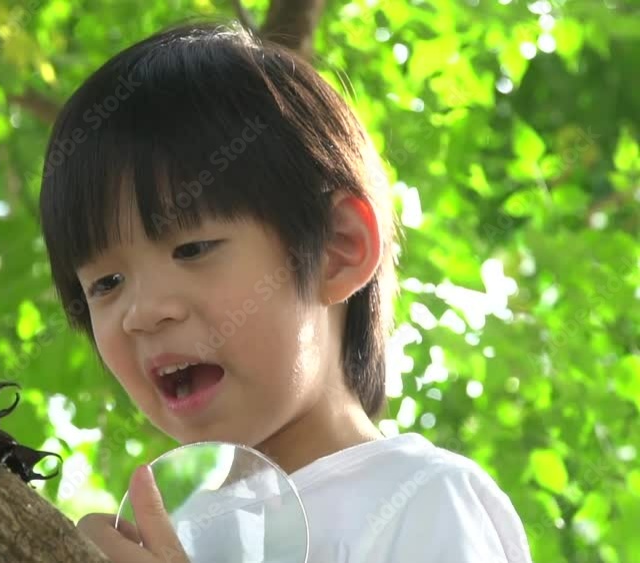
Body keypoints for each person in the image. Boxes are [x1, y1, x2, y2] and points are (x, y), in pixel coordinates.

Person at [37, 19, 532, 563]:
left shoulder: (419, 497)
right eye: (106, 284)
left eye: (193, 249)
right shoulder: (174, 537)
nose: (143, 313)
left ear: (337, 248)